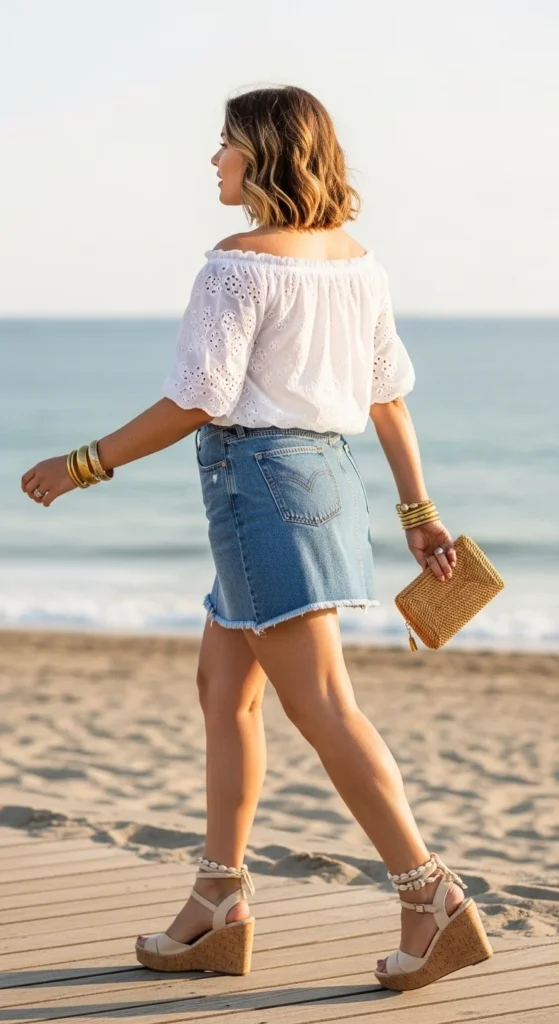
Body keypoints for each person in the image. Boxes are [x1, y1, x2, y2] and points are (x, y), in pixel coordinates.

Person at [20, 85, 493, 992]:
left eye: (227, 144)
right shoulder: (358, 264)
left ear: (266, 156)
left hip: (258, 489)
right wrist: (415, 511)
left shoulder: (235, 267)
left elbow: (197, 399)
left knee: (320, 704)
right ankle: (217, 905)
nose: (214, 160)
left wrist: (81, 464)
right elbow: (386, 397)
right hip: (319, 481)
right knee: (223, 689)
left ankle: (429, 897)